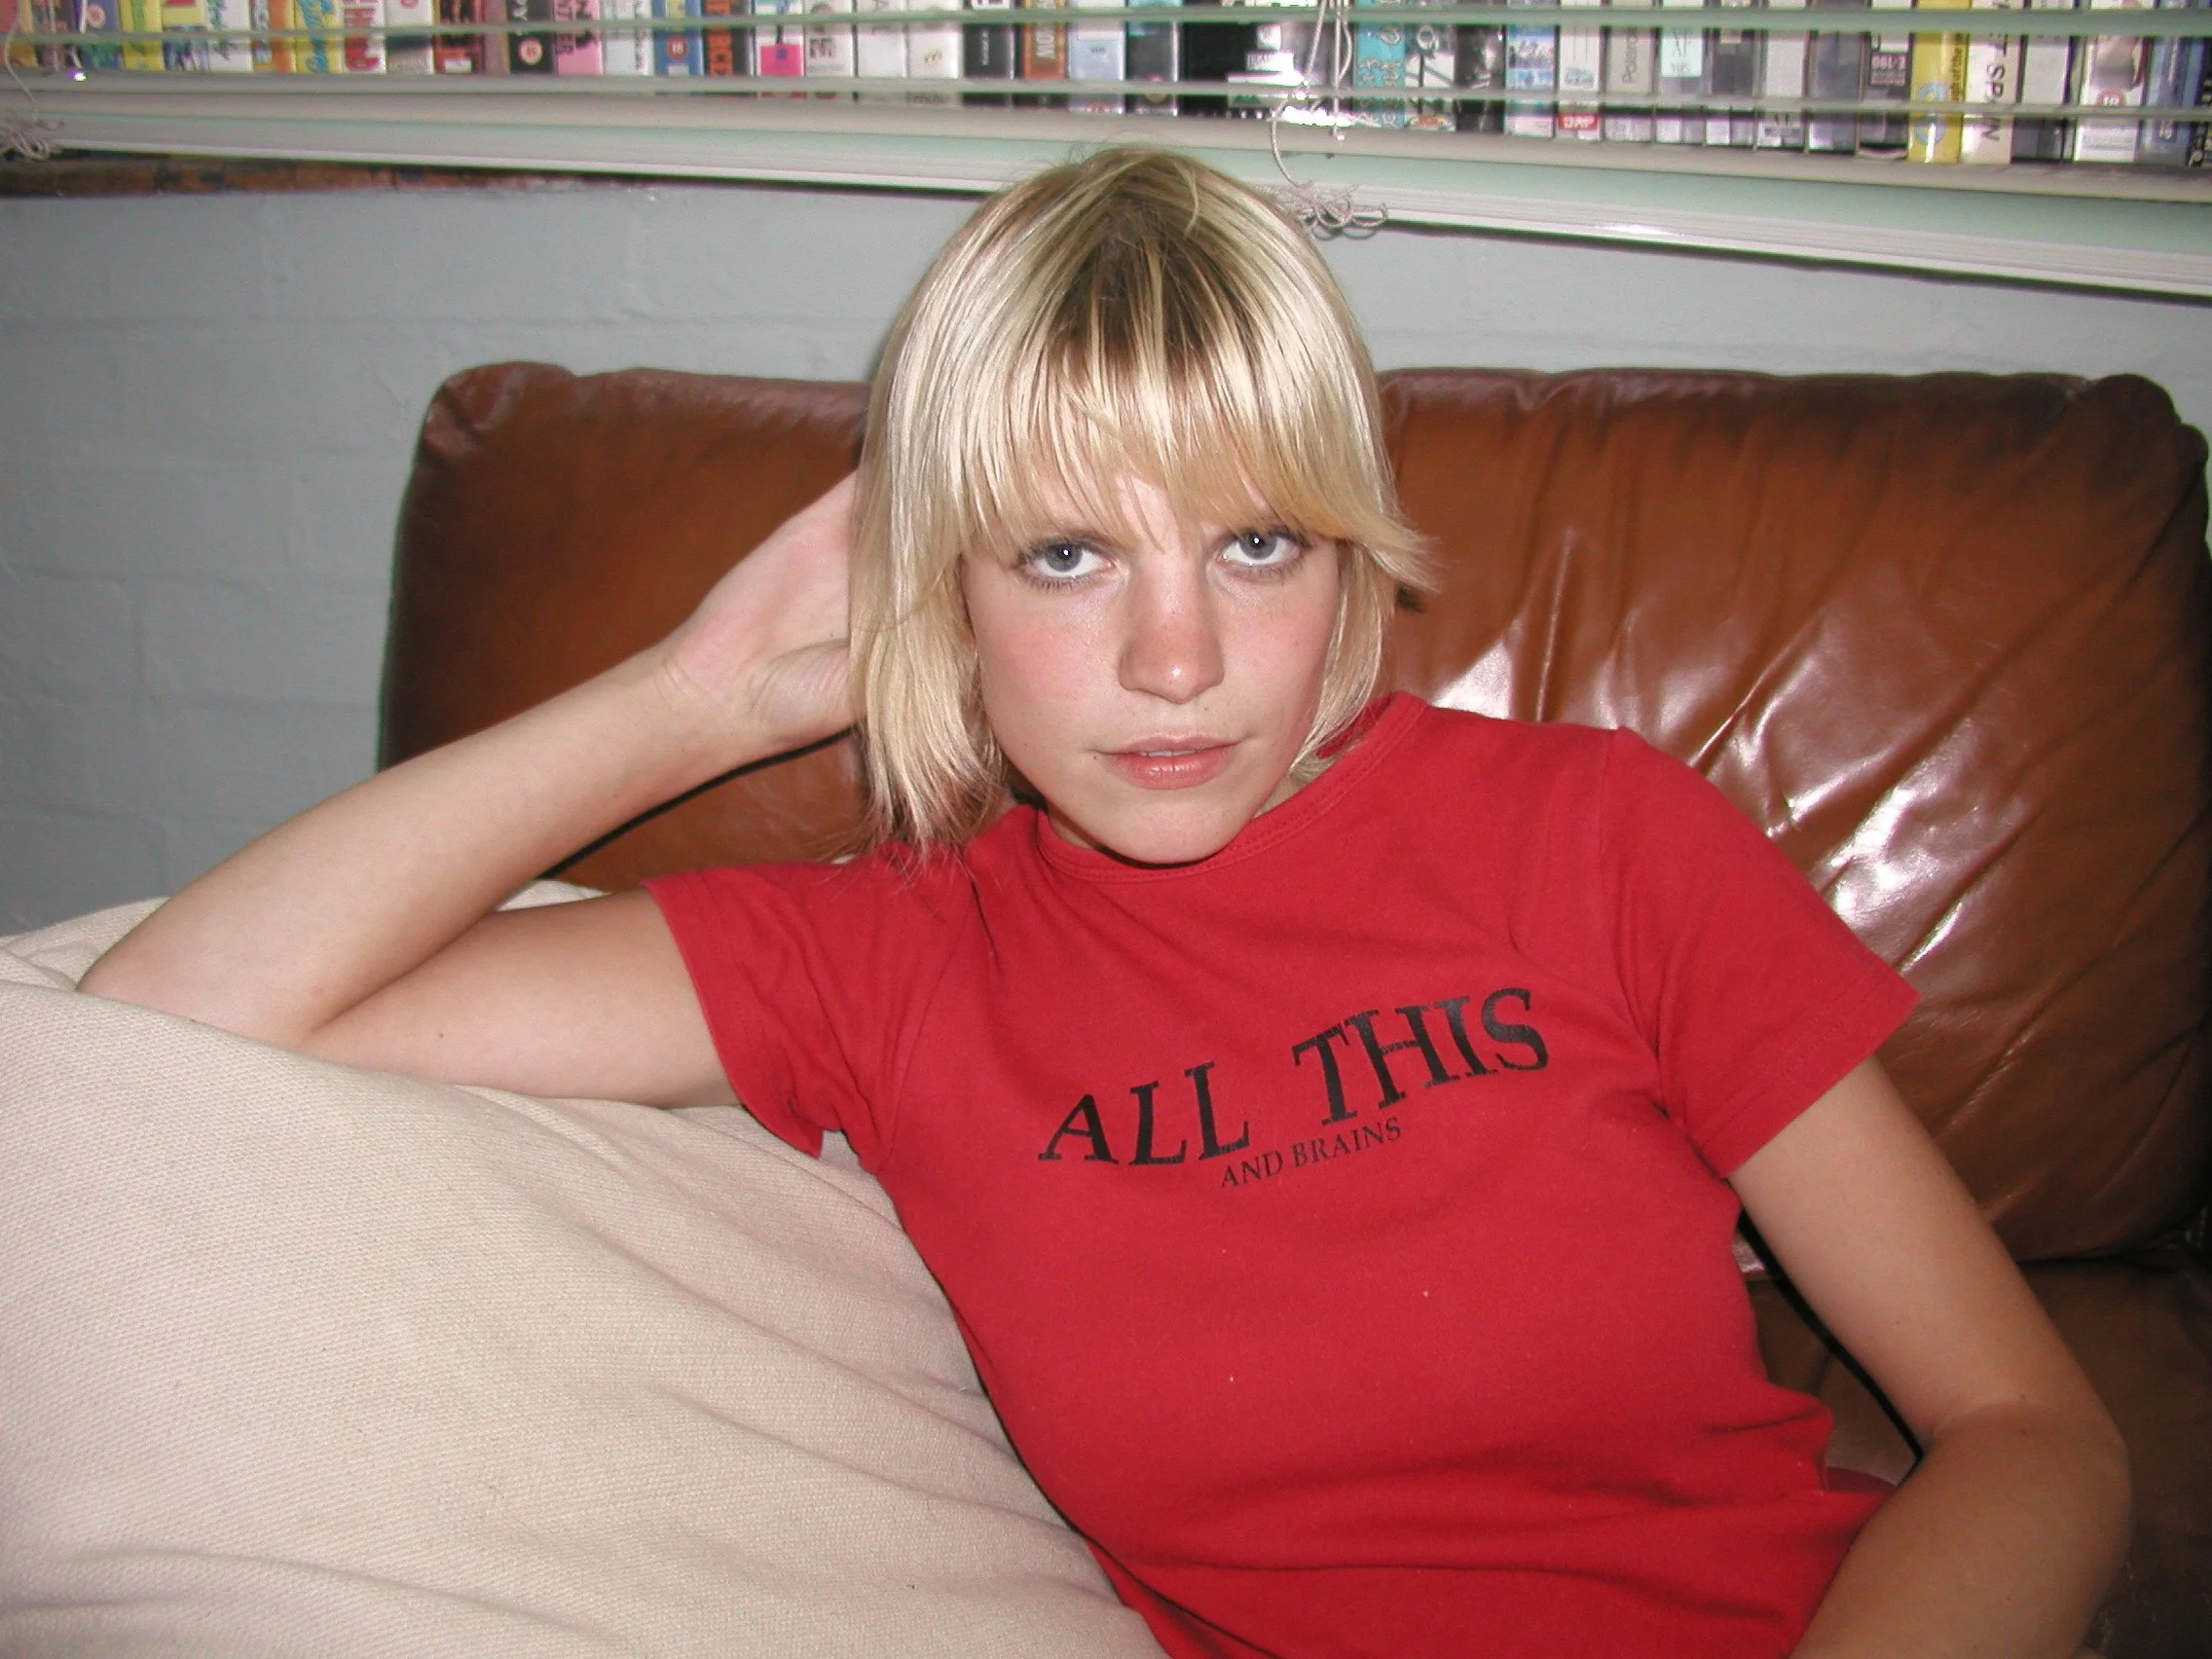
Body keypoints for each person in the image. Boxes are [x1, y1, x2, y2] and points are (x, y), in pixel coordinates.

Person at [81, 147, 2128, 1659]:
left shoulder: (1599, 842)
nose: (1176, 660)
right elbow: (178, 1018)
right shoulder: (882, 959)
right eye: (1064, 556)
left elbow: (2029, 1432)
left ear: (1349, 555)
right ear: (944, 585)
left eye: (1254, 545)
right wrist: (689, 700)